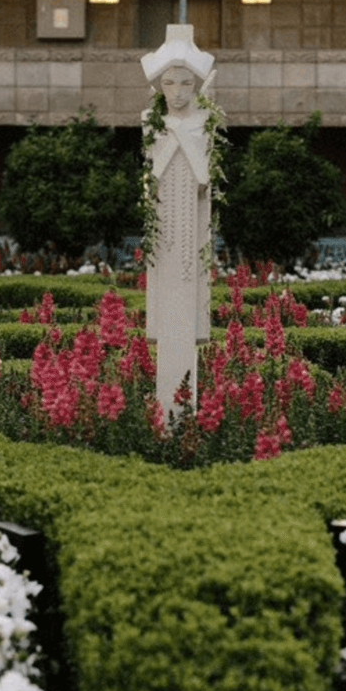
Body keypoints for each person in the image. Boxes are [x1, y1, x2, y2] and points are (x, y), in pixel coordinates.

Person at [140, 24, 218, 410]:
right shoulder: (151, 122)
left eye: (186, 83)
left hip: (192, 232)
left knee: (189, 292)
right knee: (165, 297)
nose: (178, 92)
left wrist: (185, 138)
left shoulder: (204, 124)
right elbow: (149, 176)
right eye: (169, 83)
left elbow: (205, 177)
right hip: (164, 230)